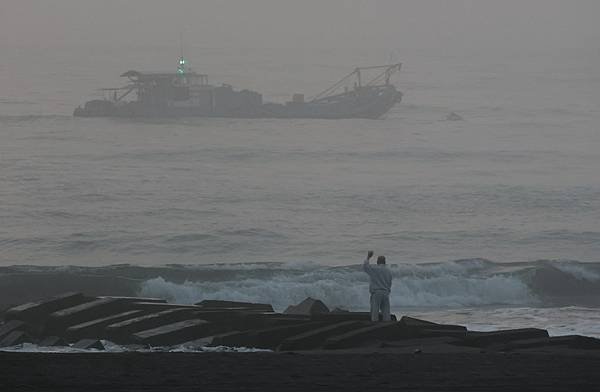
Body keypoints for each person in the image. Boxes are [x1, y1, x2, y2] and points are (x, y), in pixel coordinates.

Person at [363, 250, 393, 322]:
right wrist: (388, 291)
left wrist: (368, 257)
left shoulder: (375, 269)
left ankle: (374, 325)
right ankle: (387, 325)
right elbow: (389, 283)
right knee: (386, 312)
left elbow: (365, 267)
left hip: (377, 293)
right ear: (385, 262)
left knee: (375, 312)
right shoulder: (389, 271)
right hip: (386, 293)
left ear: (377, 262)